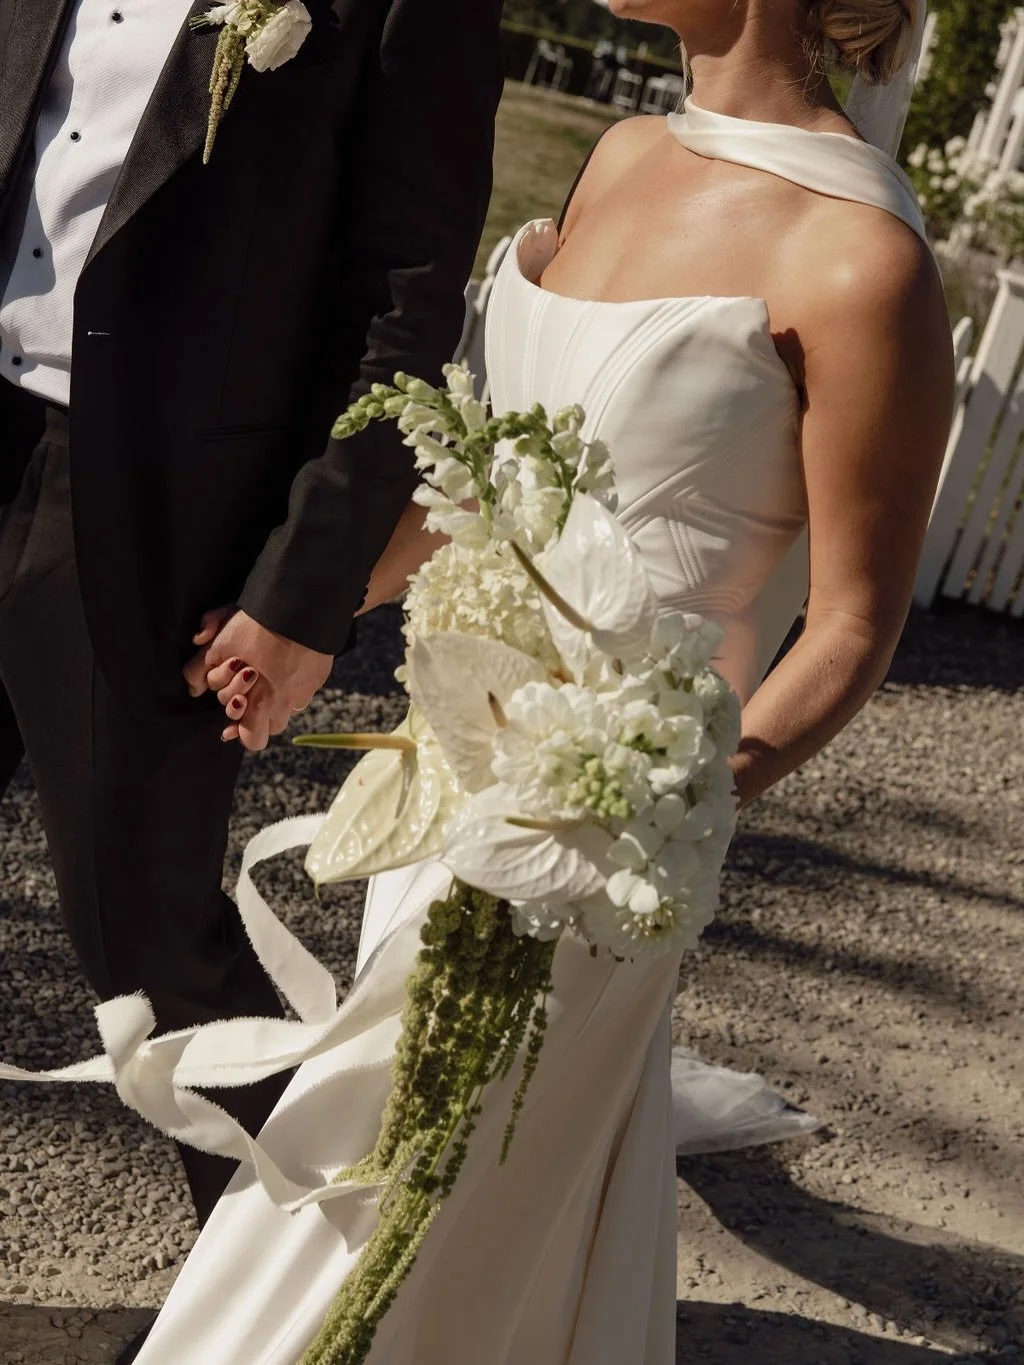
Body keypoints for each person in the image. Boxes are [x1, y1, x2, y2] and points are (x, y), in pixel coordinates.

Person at [7, 0, 956, 1361]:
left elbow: (855, 628)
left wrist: (649, 813)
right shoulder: (625, 151)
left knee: (401, 1188)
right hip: (448, 764)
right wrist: (306, 610)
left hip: (596, 835)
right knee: (431, 1198)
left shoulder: (864, 261)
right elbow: (496, 474)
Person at [0, 1, 502, 1360]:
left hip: (161, 510)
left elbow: (407, 294)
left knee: (153, 948)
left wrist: (306, 587)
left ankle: (317, 1310)